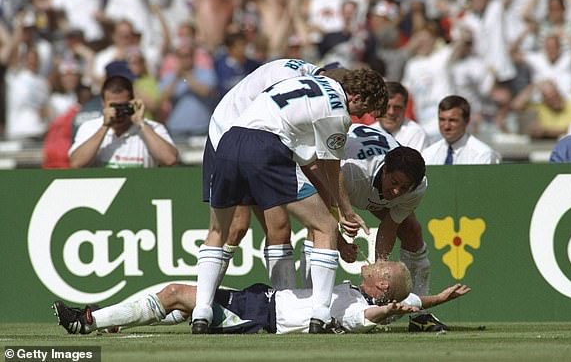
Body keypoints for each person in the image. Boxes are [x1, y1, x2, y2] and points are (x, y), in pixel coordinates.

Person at [191, 66, 388, 334]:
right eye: (363, 110)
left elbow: (307, 162)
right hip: (265, 149)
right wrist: (345, 211)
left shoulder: (301, 85)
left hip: (228, 143)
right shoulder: (337, 112)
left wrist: (335, 207)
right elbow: (331, 167)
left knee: (217, 231)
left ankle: (201, 311)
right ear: (356, 97)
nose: (359, 117)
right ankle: (320, 314)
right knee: (325, 228)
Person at [53, 260, 470, 335]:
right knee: (179, 297)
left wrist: (388, 311)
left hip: (261, 315)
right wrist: (436, 299)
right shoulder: (359, 291)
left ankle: (86, 322)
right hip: (261, 299)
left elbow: (369, 317)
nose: (377, 262)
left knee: (177, 294)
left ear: (380, 287)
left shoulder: (358, 305)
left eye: (382, 268)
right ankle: (110, 320)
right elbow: (410, 304)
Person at [304, 123, 446, 332]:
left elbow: (390, 225)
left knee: (412, 231)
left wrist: (381, 266)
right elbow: (322, 213)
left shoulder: (417, 187)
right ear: (386, 169)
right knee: (318, 229)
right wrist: (342, 244)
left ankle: (419, 315)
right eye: (394, 182)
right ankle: (312, 306)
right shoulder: (351, 173)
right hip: (328, 174)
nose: (397, 191)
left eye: (404, 188)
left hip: (367, 186)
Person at [68, 72, 178, 168]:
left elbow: (170, 160)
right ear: (103, 103)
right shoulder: (90, 127)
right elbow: (76, 163)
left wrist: (141, 124)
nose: (118, 112)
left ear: (133, 102)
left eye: (123, 106)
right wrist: (104, 127)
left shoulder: (152, 128)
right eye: (113, 106)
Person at [423, 96, 500, 165]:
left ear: (467, 121)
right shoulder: (429, 154)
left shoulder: (482, 154)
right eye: (442, 120)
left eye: (452, 120)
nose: (446, 126)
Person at [370, 82, 430, 155]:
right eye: (386, 106)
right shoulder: (367, 133)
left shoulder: (416, 134)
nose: (391, 112)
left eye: (397, 107)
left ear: (405, 109)